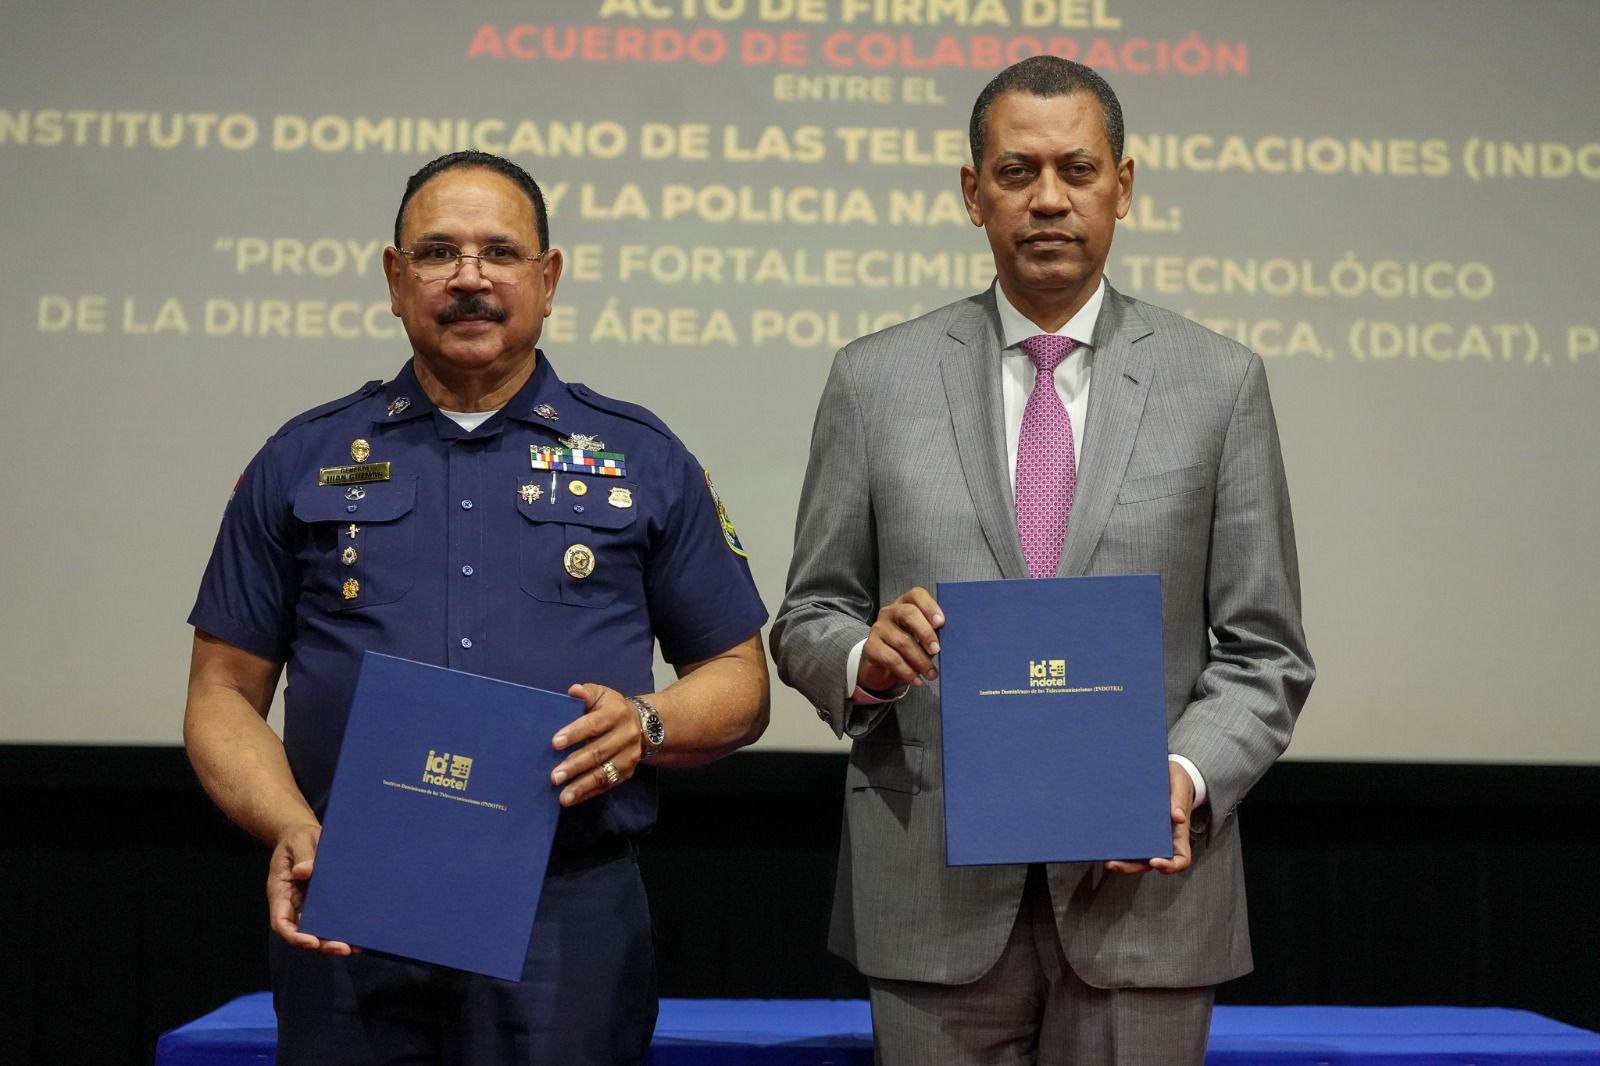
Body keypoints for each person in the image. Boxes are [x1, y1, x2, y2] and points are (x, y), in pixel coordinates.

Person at [770, 57, 1314, 1065]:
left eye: (1078, 169)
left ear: (1123, 185)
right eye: (1017, 171)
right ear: (972, 193)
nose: (1049, 198)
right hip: (932, 891)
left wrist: (1180, 776)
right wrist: (864, 662)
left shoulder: (1219, 383)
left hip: (1143, 893)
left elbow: (1265, 650)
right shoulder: (873, 380)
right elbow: (809, 615)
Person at [184, 150, 770, 1065]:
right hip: (352, 895)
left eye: (499, 252)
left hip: (566, 907)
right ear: (394, 278)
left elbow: (739, 678)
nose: (469, 277)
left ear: (548, 278)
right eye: (436, 253)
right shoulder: (301, 458)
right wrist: (293, 828)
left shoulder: (644, 458)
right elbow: (221, 695)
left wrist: (647, 722)